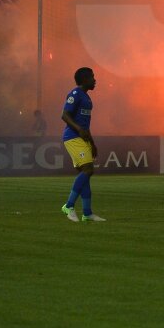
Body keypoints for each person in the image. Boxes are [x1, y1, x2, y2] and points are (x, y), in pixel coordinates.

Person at [59, 67, 105, 222]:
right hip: (72, 137)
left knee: (85, 175)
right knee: (88, 169)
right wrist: (78, 129)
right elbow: (64, 115)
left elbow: (85, 126)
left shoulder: (87, 98)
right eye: (92, 77)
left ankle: (87, 213)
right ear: (84, 79)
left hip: (82, 139)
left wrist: (92, 143)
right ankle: (68, 205)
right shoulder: (75, 94)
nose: (95, 80)